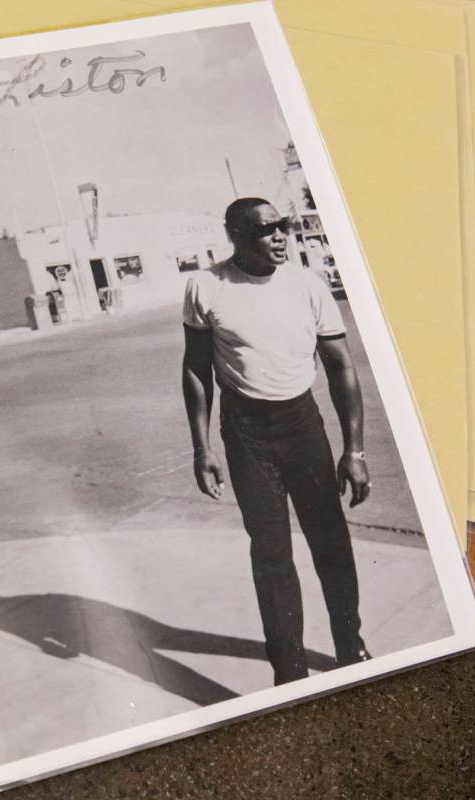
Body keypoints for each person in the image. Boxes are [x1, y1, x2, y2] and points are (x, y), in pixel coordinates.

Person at [181, 197, 371, 686]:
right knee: (271, 553)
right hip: (246, 433)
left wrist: (355, 450)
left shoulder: (308, 285)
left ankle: (351, 647)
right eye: (267, 231)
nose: (280, 236)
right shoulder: (206, 286)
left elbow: (341, 366)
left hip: (302, 425)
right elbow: (196, 369)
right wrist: (203, 449)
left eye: (282, 226)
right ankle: (288, 669)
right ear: (237, 237)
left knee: (331, 542)